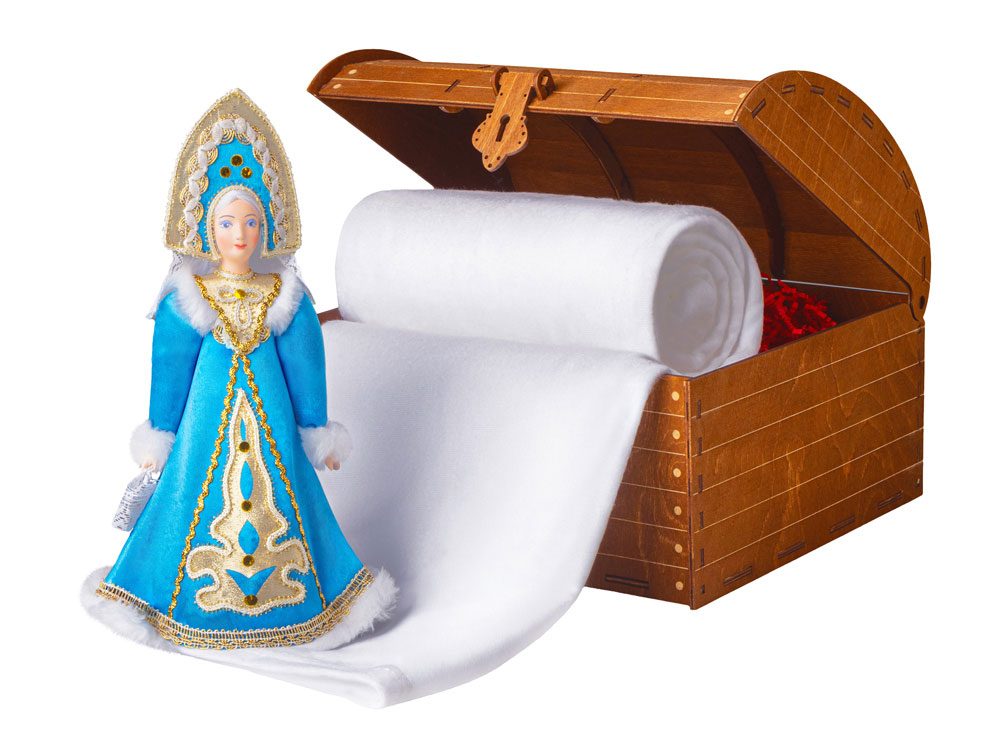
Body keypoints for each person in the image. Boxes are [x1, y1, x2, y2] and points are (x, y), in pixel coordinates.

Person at [89, 90, 395, 649]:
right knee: (190, 497)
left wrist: (317, 429)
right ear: (208, 228)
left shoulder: (285, 295)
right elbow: (170, 370)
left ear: (266, 228)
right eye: (228, 222)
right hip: (204, 429)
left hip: (272, 423)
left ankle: (297, 601)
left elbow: (306, 365)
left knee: (290, 495)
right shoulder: (188, 295)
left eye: (251, 222)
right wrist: (159, 435)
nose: (240, 235)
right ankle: (178, 597)